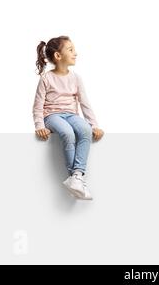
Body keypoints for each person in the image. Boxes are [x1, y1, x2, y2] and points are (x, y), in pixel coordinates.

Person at [33, 36, 104, 200]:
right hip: (52, 116)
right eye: (70, 50)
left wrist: (94, 125)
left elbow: (84, 103)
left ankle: (77, 176)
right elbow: (37, 105)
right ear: (58, 56)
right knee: (67, 133)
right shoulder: (46, 78)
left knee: (84, 129)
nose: (76, 53)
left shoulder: (76, 78)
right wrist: (39, 126)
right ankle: (75, 179)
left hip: (71, 114)